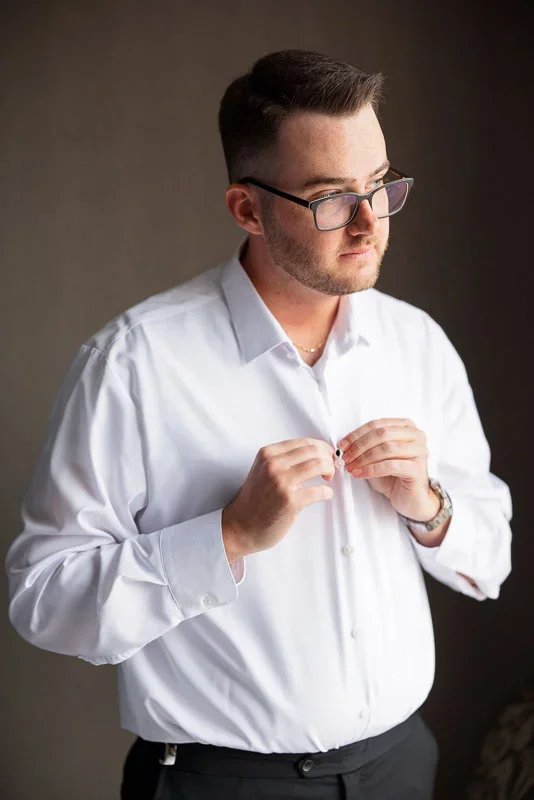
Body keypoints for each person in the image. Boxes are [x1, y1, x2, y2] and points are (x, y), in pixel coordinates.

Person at [5, 49, 512, 800]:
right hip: (219, 783)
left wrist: (430, 507)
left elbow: (490, 559)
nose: (370, 223)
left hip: (401, 769)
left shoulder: (417, 344)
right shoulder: (133, 364)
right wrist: (226, 536)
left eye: (380, 184)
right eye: (333, 198)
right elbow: (43, 601)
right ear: (247, 208)